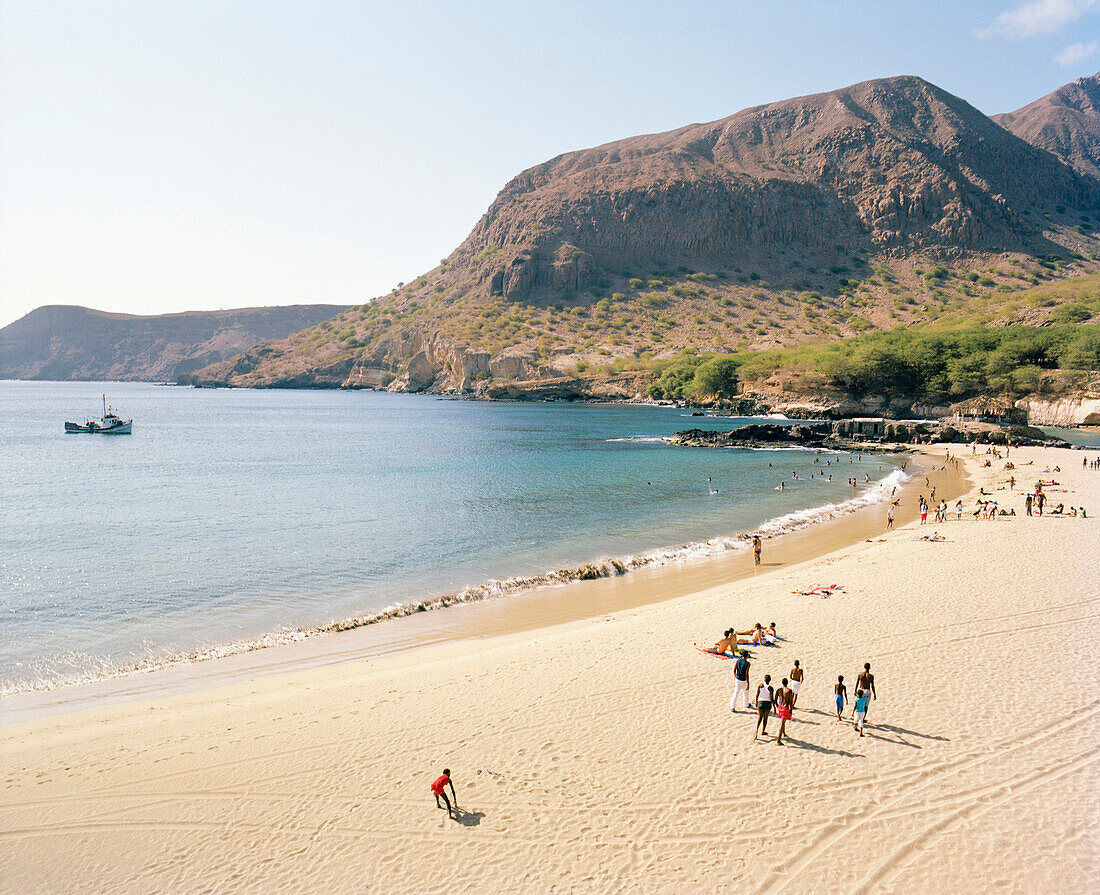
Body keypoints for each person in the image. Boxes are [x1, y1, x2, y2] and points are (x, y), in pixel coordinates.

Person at [753, 674, 774, 740]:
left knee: (760, 717)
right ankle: (763, 731)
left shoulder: (760, 685)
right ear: (770, 680)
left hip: (760, 702)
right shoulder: (770, 688)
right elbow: (771, 698)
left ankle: (756, 729)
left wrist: (756, 702)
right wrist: (774, 706)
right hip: (767, 703)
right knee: (765, 718)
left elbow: (757, 694)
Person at [774, 678, 794, 746]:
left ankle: (783, 733)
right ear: (787, 683)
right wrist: (791, 710)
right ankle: (778, 740)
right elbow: (791, 702)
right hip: (785, 707)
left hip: (780, 707)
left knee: (783, 721)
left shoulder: (779, 690)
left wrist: (777, 706)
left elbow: (775, 699)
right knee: (782, 723)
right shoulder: (789, 691)